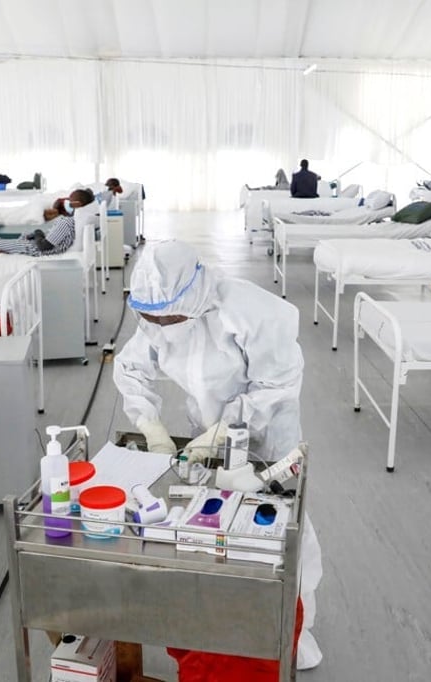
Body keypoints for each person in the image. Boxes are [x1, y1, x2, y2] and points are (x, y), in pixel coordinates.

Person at [112, 240, 322, 669]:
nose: (160, 325)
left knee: (276, 533)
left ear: (193, 296)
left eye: (169, 316)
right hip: (205, 433)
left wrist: (228, 428)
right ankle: (218, 625)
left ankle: (288, 633)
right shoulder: (155, 312)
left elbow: (276, 385)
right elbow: (132, 369)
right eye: (152, 317)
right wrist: (151, 425)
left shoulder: (253, 313)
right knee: (211, 526)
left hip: (268, 439)